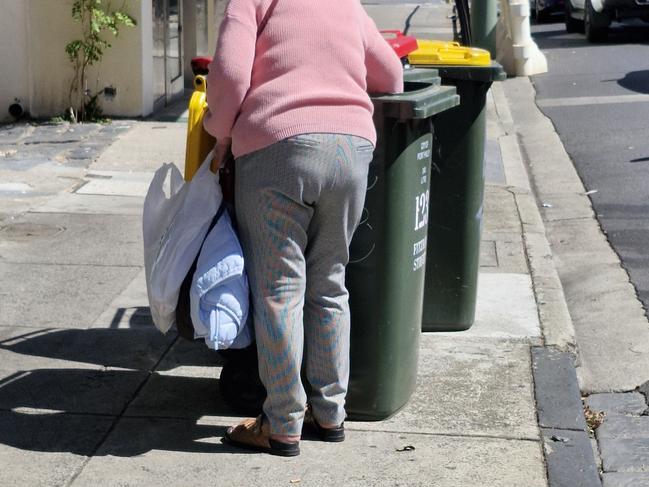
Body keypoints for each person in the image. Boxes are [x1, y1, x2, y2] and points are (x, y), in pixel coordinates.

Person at [203, 0, 403, 457]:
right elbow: (391, 76)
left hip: (278, 147)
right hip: (351, 151)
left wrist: (221, 131)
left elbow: (231, 76)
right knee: (330, 284)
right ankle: (331, 413)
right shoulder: (346, 4)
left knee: (279, 291)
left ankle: (282, 422)